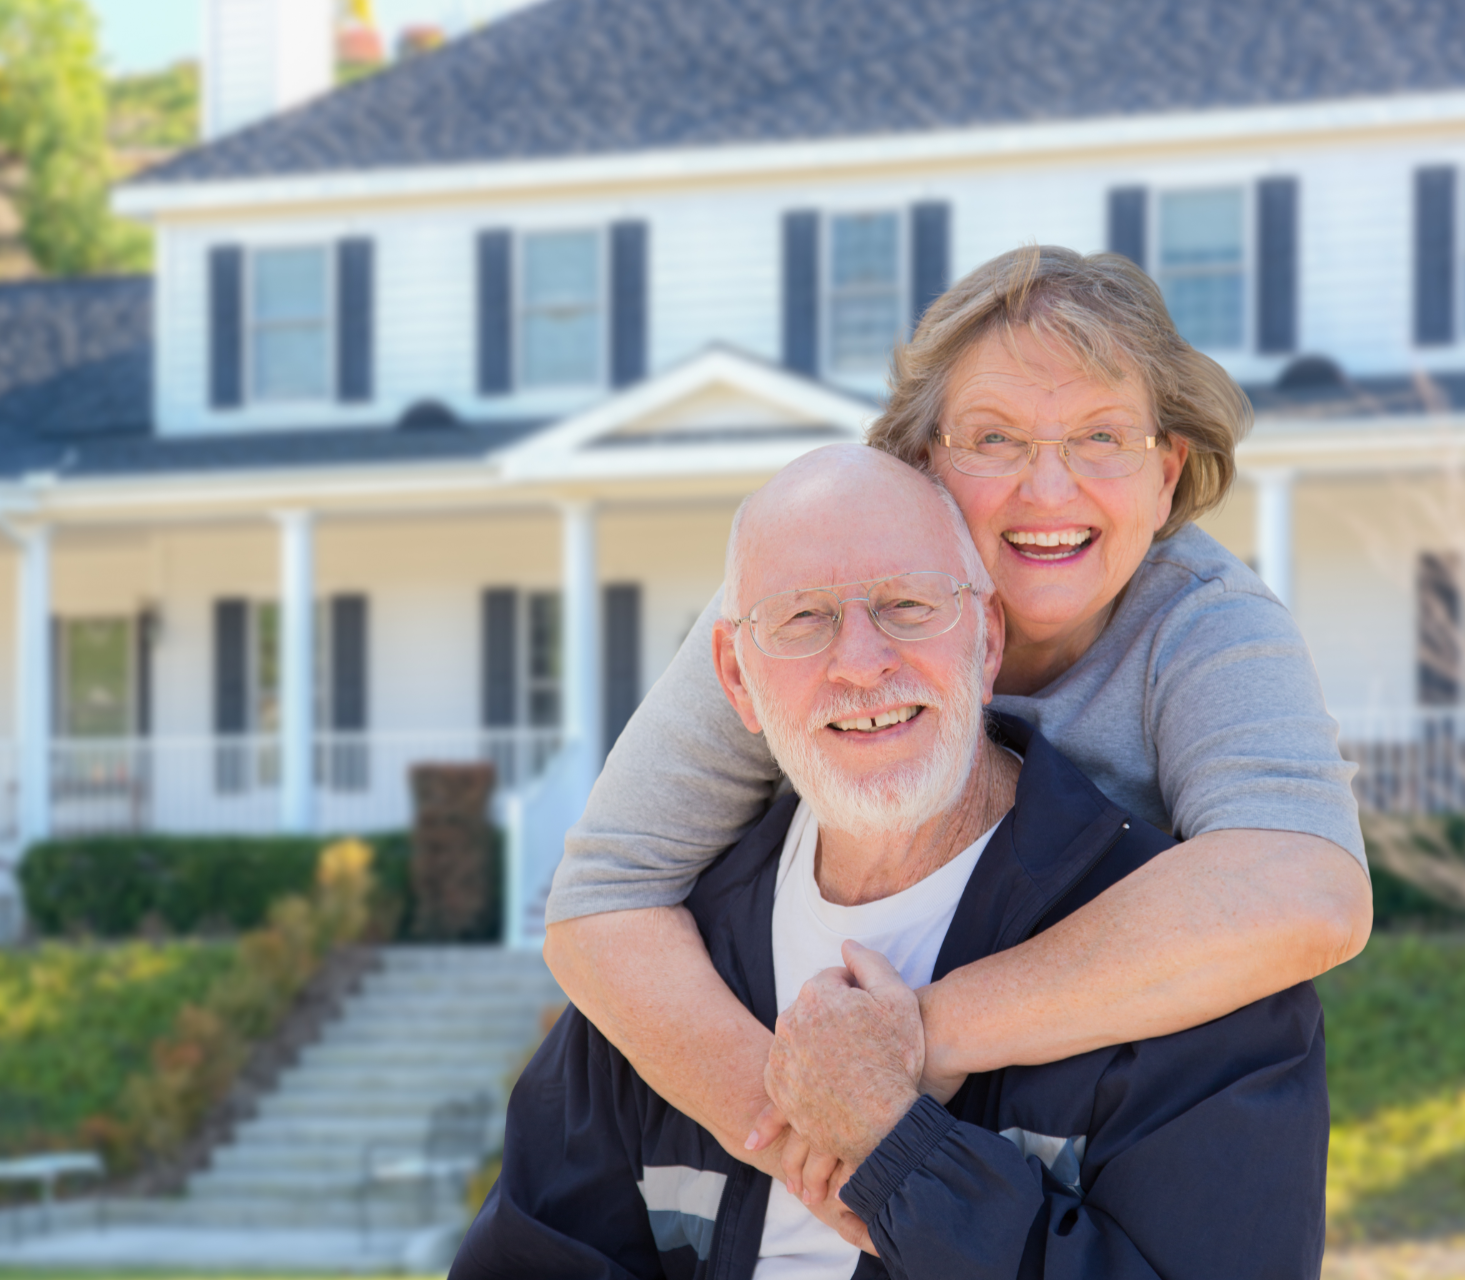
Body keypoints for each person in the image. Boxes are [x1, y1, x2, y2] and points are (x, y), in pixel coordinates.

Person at [541, 246, 1369, 1204]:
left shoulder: (1205, 622)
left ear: (1167, 472)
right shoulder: (794, 608)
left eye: (1102, 437)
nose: (1049, 492)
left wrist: (916, 1039)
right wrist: (803, 1142)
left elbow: (1309, 889)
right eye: (995, 438)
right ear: (920, 462)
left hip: (1096, 1133)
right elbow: (602, 899)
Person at [452, 447, 1328, 1280]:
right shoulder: (671, 977)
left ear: (987, 640)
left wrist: (898, 1152)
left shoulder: (1190, 969)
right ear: (736, 678)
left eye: (910, 605)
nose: (862, 662)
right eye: (803, 619)